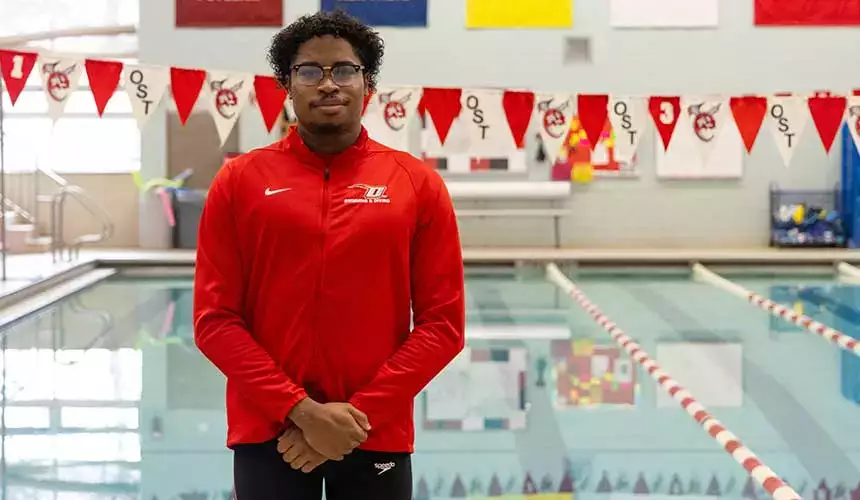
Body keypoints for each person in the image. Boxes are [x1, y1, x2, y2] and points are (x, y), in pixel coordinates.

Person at [192, 10, 466, 500]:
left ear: (369, 85)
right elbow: (215, 320)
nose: (328, 84)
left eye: (344, 69)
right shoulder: (239, 181)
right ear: (287, 87)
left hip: (374, 432)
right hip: (270, 432)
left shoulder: (415, 183)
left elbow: (442, 325)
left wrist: (353, 420)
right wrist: (302, 411)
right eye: (309, 71)